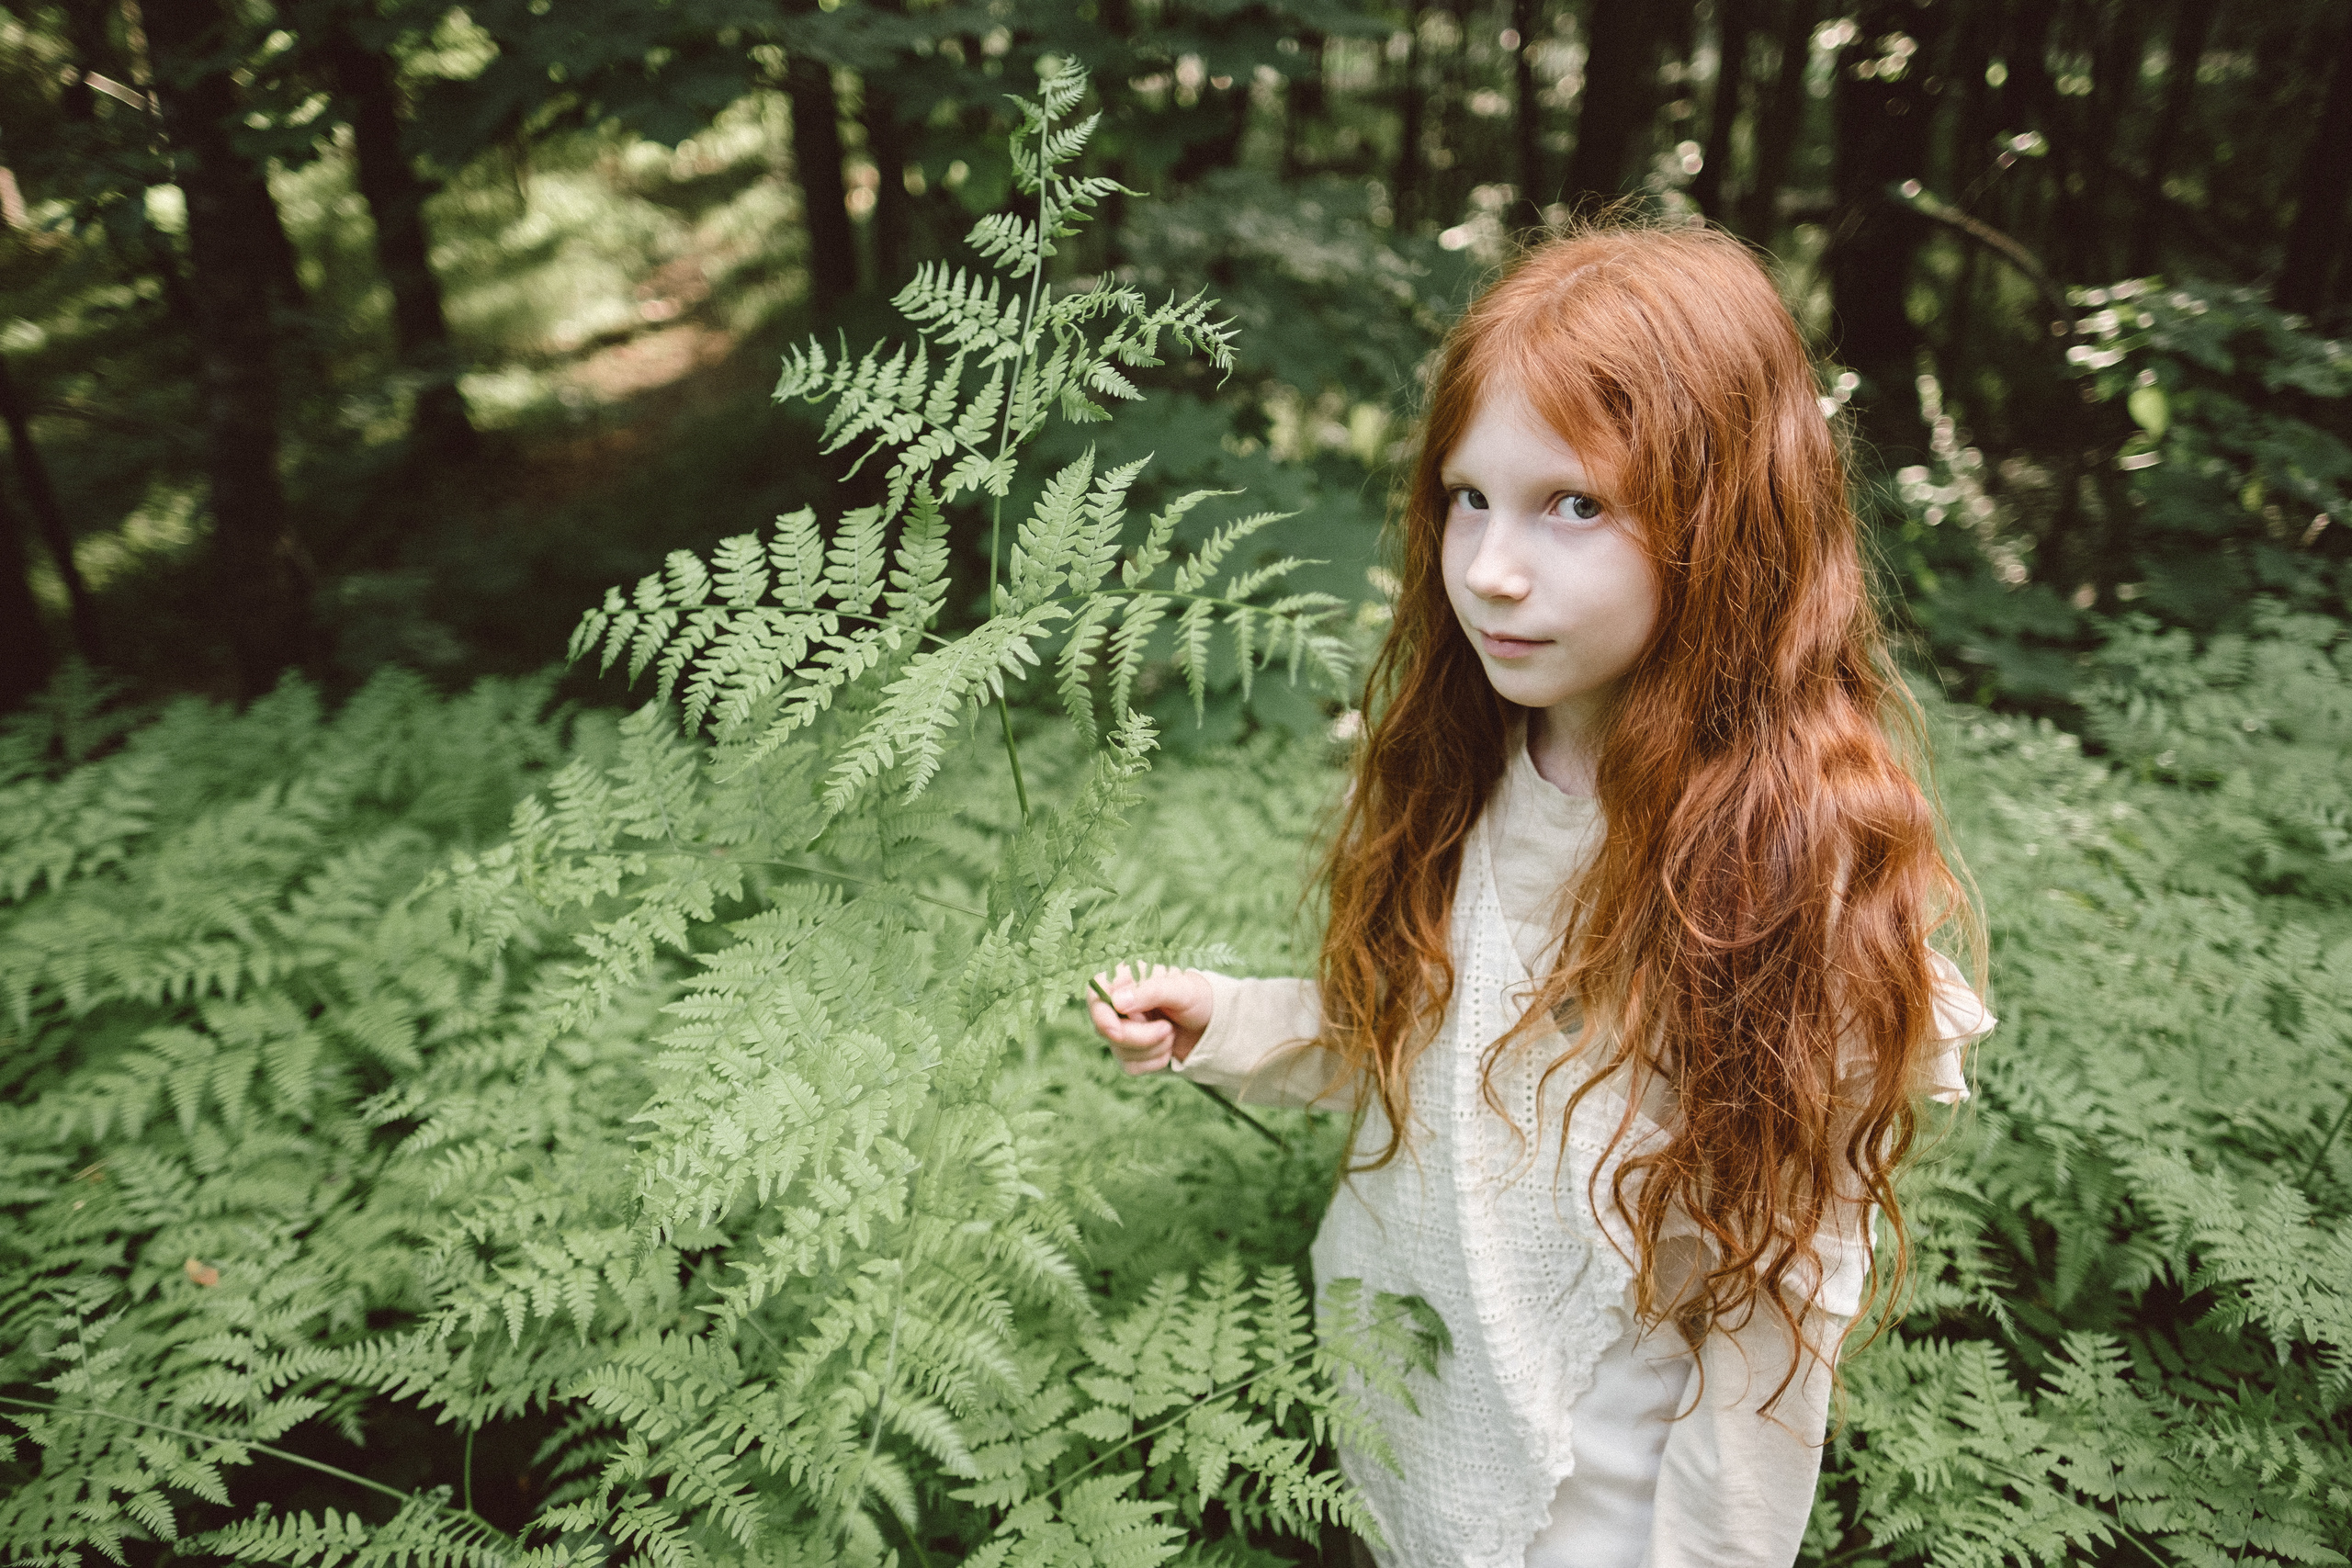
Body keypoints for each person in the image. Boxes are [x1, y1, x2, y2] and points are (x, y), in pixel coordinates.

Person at [1088, 220, 1996, 1568]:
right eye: (1469, 498)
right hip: (1403, 1416)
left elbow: (1778, 1312)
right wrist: (1228, 1018)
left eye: (1574, 505)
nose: (1492, 569)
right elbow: (1435, 1044)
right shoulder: (1473, 764)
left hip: (1588, 1499)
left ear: (1726, 521)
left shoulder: (1779, 870)